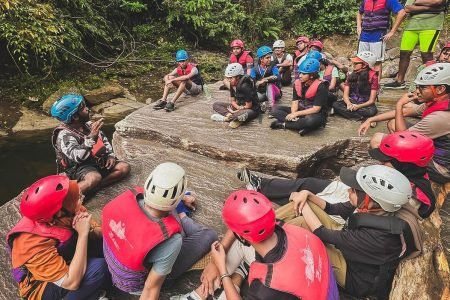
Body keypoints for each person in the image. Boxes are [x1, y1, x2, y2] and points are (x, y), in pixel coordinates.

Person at [282, 165, 422, 300]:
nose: (348, 190)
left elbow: (321, 233)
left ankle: (270, 237)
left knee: (304, 226)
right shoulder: (375, 207)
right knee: (305, 207)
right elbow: (333, 209)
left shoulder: (381, 237)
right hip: (350, 249)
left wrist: (302, 202)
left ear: (369, 199)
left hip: (353, 277)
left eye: (353, 190)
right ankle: (268, 223)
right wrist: (308, 195)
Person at [172, 190, 340, 300]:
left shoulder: (267, 287)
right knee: (236, 246)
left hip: (288, 287)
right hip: (313, 285)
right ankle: (206, 291)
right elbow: (240, 233)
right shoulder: (292, 229)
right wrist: (214, 262)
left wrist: (222, 269)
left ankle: (234, 276)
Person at [238, 131, 436, 219]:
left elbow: (366, 212)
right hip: (361, 197)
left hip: (357, 209)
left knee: (302, 202)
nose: (380, 162)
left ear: (403, 165)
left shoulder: (408, 196)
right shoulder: (406, 174)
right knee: (309, 183)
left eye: (385, 160)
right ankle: (261, 185)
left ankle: (261, 197)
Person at [102, 162, 218, 299]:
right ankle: (182, 215)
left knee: (163, 216)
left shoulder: (125, 198)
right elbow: (151, 288)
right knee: (209, 235)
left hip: (119, 269)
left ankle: (180, 212)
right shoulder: (172, 241)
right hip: (139, 282)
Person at [6, 175, 110, 300]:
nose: (79, 201)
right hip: (42, 285)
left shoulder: (68, 210)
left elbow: (100, 232)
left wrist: (91, 231)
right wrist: (82, 234)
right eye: (74, 199)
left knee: (108, 244)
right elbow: (71, 282)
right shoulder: (30, 244)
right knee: (99, 269)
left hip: (65, 258)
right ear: (58, 213)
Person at [359, 63, 450, 184]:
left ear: (440, 89)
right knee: (393, 122)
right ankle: (399, 163)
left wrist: (399, 105)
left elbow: (403, 139)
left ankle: (394, 172)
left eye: (422, 88)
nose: (417, 91)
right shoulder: (440, 101)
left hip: (441, 168)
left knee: (377, 139)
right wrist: (371, 119)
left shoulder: (439, 118)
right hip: (433, 149)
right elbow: (407, 111)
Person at [51, 93, 130, 195]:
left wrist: (110, 155)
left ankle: (96, 186)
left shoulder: (88, 125)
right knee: (94, 178)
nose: (87, 109)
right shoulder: (64, 135)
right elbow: (77, 157)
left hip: (97, 162)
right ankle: (68, 196)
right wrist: (91, 138)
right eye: (83, 108)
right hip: (80, 168)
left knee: (124, 167)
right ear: (75, 116)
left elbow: (104, 140)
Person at [384, 0, 447, 89]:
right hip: (411, 26)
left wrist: (417, 3)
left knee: (426, 55)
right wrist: (429, 8)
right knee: (404, 53)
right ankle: (399, 81)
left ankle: (428, 83)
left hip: (431, 26)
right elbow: (407, 8)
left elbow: (438, 3)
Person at [270, 57, 329, 135]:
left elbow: (316, 109)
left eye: (304, 74)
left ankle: (285, 124)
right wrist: (293, 114)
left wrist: (296, 114)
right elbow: (295, 101)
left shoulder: (321, 86)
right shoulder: (298, 83)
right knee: (274, 109)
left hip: (314, 114)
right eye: (300, 73)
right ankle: (301, 126)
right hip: (300, 110)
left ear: (312, 75)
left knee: (310, 121)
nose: (300, 75)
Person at [356, 0, 406, 79]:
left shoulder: (388, 1)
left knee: (377, 62)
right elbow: (359, 12)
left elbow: (402, 13)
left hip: (378, 35)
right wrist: (358, 26)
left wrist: (392, 31)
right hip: (364, 35)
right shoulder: (365, 1)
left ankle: (376, 87)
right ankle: (362, 85)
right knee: (361, 60)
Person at [332, 51, 379, 120]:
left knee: (371, 111)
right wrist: (348, 103)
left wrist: (358, 106)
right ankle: (361, 117)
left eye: (356, 63)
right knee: (335, 104)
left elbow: (371, 101)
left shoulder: (373, 77)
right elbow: (345, 95)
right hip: (352, 102)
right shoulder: (351, 75)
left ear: (365, 65)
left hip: (365, 105)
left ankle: (350, 114)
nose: (353, 64)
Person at [211, 63, 260, 129]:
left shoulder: (245, 86)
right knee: (216, 105)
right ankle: (230, 117)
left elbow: (249, 106)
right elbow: (232, 100)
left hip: (250, 109)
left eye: (231, 78)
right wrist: (235, 109)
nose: (229, 80)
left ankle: (227, 119)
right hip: (239, 106)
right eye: (228, 78)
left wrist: (237, 110)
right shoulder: (232, 84)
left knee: (241, 115)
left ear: (238, 77)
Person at [250, 45, 282, 112]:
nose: (269, 59)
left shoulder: (273, 66)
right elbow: (251, 81)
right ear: (261, 59)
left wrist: (265, 79)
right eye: (267, 58)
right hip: (262, 92)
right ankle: (262, 105)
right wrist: (257, 83)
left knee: (270, 85)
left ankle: (272, 107)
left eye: (270, 57)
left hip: (275, 91)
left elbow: (278, 77)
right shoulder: (254, 68)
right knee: (252, 98)